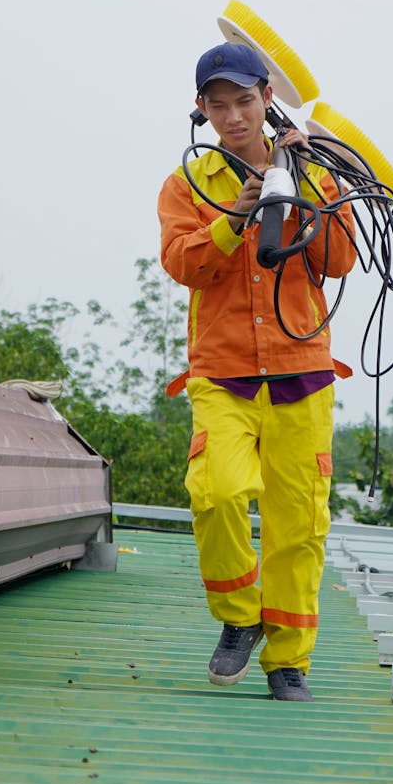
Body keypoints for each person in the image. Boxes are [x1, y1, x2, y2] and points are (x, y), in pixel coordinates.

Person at [158, 41, 357, 702]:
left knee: (299, 523)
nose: (233, 115)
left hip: (303, 371)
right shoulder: (185, 184)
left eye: (244, 101)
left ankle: (288, 662)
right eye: (219, 105)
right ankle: (240, 617)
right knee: (214, 491)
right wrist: (239, 215)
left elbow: (339, 260)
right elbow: (184, 262)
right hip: (225, 374)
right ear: (201, 111)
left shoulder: (311, 169)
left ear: (267, 99)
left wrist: (306, 184)